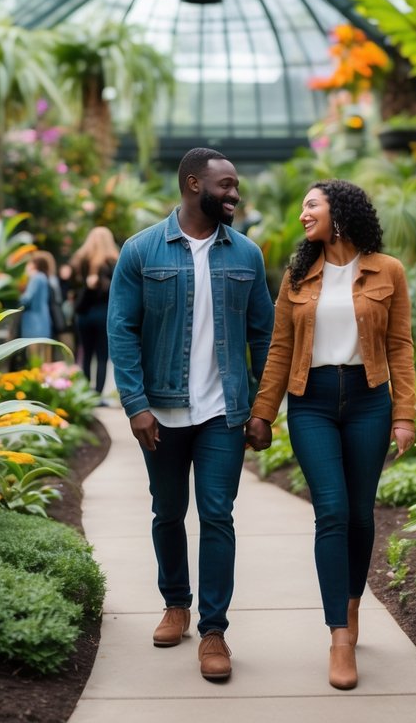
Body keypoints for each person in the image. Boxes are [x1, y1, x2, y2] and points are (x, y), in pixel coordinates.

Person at [107, 147, 275, 683]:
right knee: (167, 511)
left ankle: (213, 630)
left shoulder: (246, 255)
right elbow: (122, 330)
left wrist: (262, 409)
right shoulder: (140, 250)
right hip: (161, 408)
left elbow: (265, 336)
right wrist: (134, 405)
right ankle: (175, 603)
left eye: (236, 186)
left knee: (218, 515)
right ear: (193, 183)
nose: (234, 194)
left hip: (223, 413)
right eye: (226, 185)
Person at [245, 179, 416, 691]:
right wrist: (263, 412)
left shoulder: (388, 271)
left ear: (339, 211)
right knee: (333, 511)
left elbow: (401, 346)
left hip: (368, 400)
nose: (303, 214)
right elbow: (278, 349)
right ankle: (338, 636)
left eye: (311, 205)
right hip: (311, 402)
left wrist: (404, 414)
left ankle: (351, 602)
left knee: (361, 515)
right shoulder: (298, 277)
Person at [67, 226, 119, 394]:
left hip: (84, 313)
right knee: (102, 356)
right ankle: (97, 394)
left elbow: (71, 288)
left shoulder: (80, 260)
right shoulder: (113, 262)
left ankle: (85, 393)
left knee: (85, 355)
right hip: (104, 313)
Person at [19, 254, 54, 361]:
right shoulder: (43, 277)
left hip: (33, 322)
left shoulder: (36, 277)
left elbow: (27, 298)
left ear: (35, 265)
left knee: (33, 356)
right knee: (42, 356)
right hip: (43, 319)